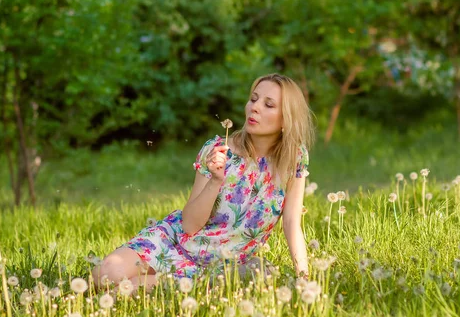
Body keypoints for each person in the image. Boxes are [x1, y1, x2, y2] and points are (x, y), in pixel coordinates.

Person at [92, 73, 315, 291]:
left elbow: (291, 223)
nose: (254, 107)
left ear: (286, 118)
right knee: (104, 275)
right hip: (177, 240)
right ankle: (160, 275)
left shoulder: (294, 158)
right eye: (254, 99)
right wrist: (215, 180)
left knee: (127, 289)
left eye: (269, 104)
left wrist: (303, 276)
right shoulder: (218, 150)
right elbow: (189, 225)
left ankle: (238, 273)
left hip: (215, 266)